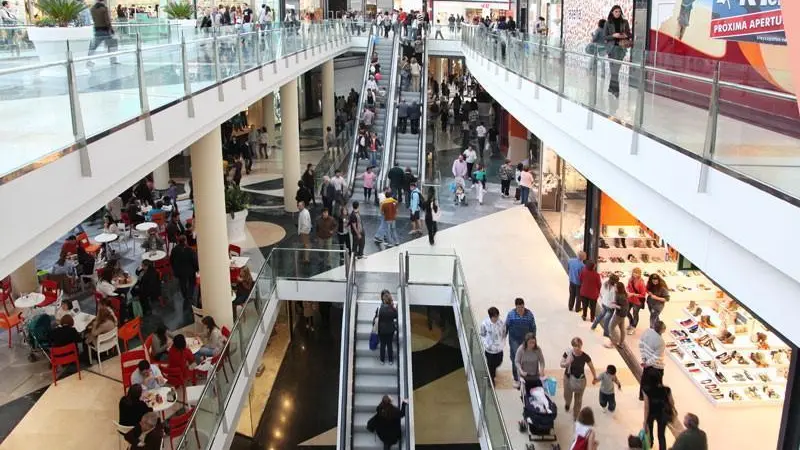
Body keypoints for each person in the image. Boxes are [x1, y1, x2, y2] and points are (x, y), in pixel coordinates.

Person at [561, 337, 599, 421]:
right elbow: (561, 364)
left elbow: (591, 367)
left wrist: (595, 377)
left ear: (581, 345)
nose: (577, 348)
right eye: (575, 346)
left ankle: (576, 415)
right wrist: (567, 363)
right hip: (568, 378)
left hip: (580, 380)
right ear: (572, 346)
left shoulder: (585, 356)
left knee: (578, 400)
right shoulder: (567, 353)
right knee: (567, 395)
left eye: (579, 346)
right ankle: (567, 403)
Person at [506, 298, 536, 388]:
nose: (521, 310)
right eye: (519, 308)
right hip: (514, 339)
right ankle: (516, 379)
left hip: (525, 340)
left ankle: (526, 376)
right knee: (516, 359)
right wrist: (503, 337)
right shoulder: (511, 315)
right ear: (516, 307)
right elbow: (506, 326)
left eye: (522, 307)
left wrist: (533, 339)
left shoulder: (529, 314)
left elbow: (533, 327)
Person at [603, 5, 631, 97]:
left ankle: (612, 88)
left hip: (621, 49)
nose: (618, 13)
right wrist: (613, 36)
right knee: (613, 71)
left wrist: (624, 35)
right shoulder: (608, 23)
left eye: (619, 11)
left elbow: (629, 34)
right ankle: (616, 90)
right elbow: (605, 37)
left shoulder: (625, 22)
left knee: (616, 70)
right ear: (612, 12)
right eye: (616, 11)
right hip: (612, 49)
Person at [643, 381, 675, 450]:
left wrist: (645, 421)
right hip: (662, 414)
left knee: (650, 431)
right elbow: (672, 402)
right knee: (661, 435)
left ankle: (650, 444)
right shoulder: (667, 389)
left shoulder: (646, 390)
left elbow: (646, 407)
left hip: (651, 413)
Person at [639, 320, 666, 401]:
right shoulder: (661, 342)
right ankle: (656, 398)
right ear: (661, 330)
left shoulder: (647, 332)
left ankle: (642, 396)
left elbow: (641, 344)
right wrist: (647, 363)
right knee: (657, 382)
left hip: (646, 360)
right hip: (656, 365)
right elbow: (656, 357)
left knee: (644, 379)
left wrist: (644, 358)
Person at [87, 0, 119, 68]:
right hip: (105, 30)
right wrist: (111, 29)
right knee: (111, 46)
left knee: (93, 47)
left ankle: (87, 59)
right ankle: (113, 61)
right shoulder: (104, 8)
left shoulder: (92, 9)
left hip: (97, 30)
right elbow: (107, 21)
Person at [170, 236, 198, 308]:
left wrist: (174, 269)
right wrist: (197, 268)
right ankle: (190, 295)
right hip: (190, 270)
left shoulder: (174, 250)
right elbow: (194, 261)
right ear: (185, 241)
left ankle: (185, 296)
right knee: (192, 282)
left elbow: (171, 260)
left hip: (180, 271)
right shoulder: (190, 250)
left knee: (182, 283)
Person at [480, 307, 505, 384]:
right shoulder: (485, 324)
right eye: (495, 316)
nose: (497, 318)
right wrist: (486, 345)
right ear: (491, 316)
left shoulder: (501, 323)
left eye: (497, 316)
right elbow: (482, 335)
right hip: (490, 350)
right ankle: (491, 380)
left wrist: (503, 343)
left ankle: (492, 371)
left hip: (499, 349)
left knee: (498, 362)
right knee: (491, 366)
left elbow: (504, 333)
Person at [591, 273, 618, 337]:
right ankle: (606, 333)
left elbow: (601, 292)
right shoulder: (614, 289)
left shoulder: (605, 283)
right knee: (607, 320)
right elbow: (614, 299)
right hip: (610, 306)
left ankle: (593, 325)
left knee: (601, 315)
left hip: (604, 303)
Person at [376, 290, 397, 365]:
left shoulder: (380, 309)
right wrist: (393, 306)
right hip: (390, 329)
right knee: (389, 345)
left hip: (382, 330)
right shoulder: (392, 309)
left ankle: (382, 360)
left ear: (384, 300)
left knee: (382, 345)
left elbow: (377, 318)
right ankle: (390, 360)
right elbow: (396, 316)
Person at [607, 281, 629, 347]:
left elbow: (624, 307)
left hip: (620, 314)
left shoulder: (621, 296)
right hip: (622, 314)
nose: (614, 287)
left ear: (618, 288)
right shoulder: (620, 293)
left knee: (611, 327)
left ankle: (613, 342)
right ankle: (621, 343)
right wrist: (615, 303)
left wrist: (615, 305)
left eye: (615, 287)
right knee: (622, 329)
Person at [626, 267, 647, 335]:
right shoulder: (630, 279)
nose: (635, 274)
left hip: (637, 301)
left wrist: (633, 294)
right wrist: (627, 291)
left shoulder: (641, 283)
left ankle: (633, 327)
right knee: (626, 311)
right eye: (634, 272)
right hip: (630, 299)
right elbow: (628, 287)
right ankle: (631, 322)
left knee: (635, 314)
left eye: (637, 273)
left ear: (639, 274)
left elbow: (643, 295)